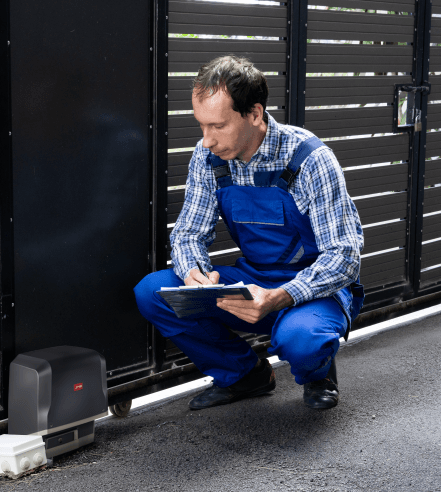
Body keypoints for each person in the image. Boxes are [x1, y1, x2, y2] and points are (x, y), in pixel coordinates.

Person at [134, 56, 365, 411]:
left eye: (217, 126)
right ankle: (244, 375)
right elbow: (188, 233)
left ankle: (317, 372)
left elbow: (345, 256)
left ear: (255, 114)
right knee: (152, 292)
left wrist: (281, 296)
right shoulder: (208, 158)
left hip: (313, 289)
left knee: (302, 339)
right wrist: (194, 273)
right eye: (201, 126)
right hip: (253, 280)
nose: (206, 140)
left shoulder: (310, 158)